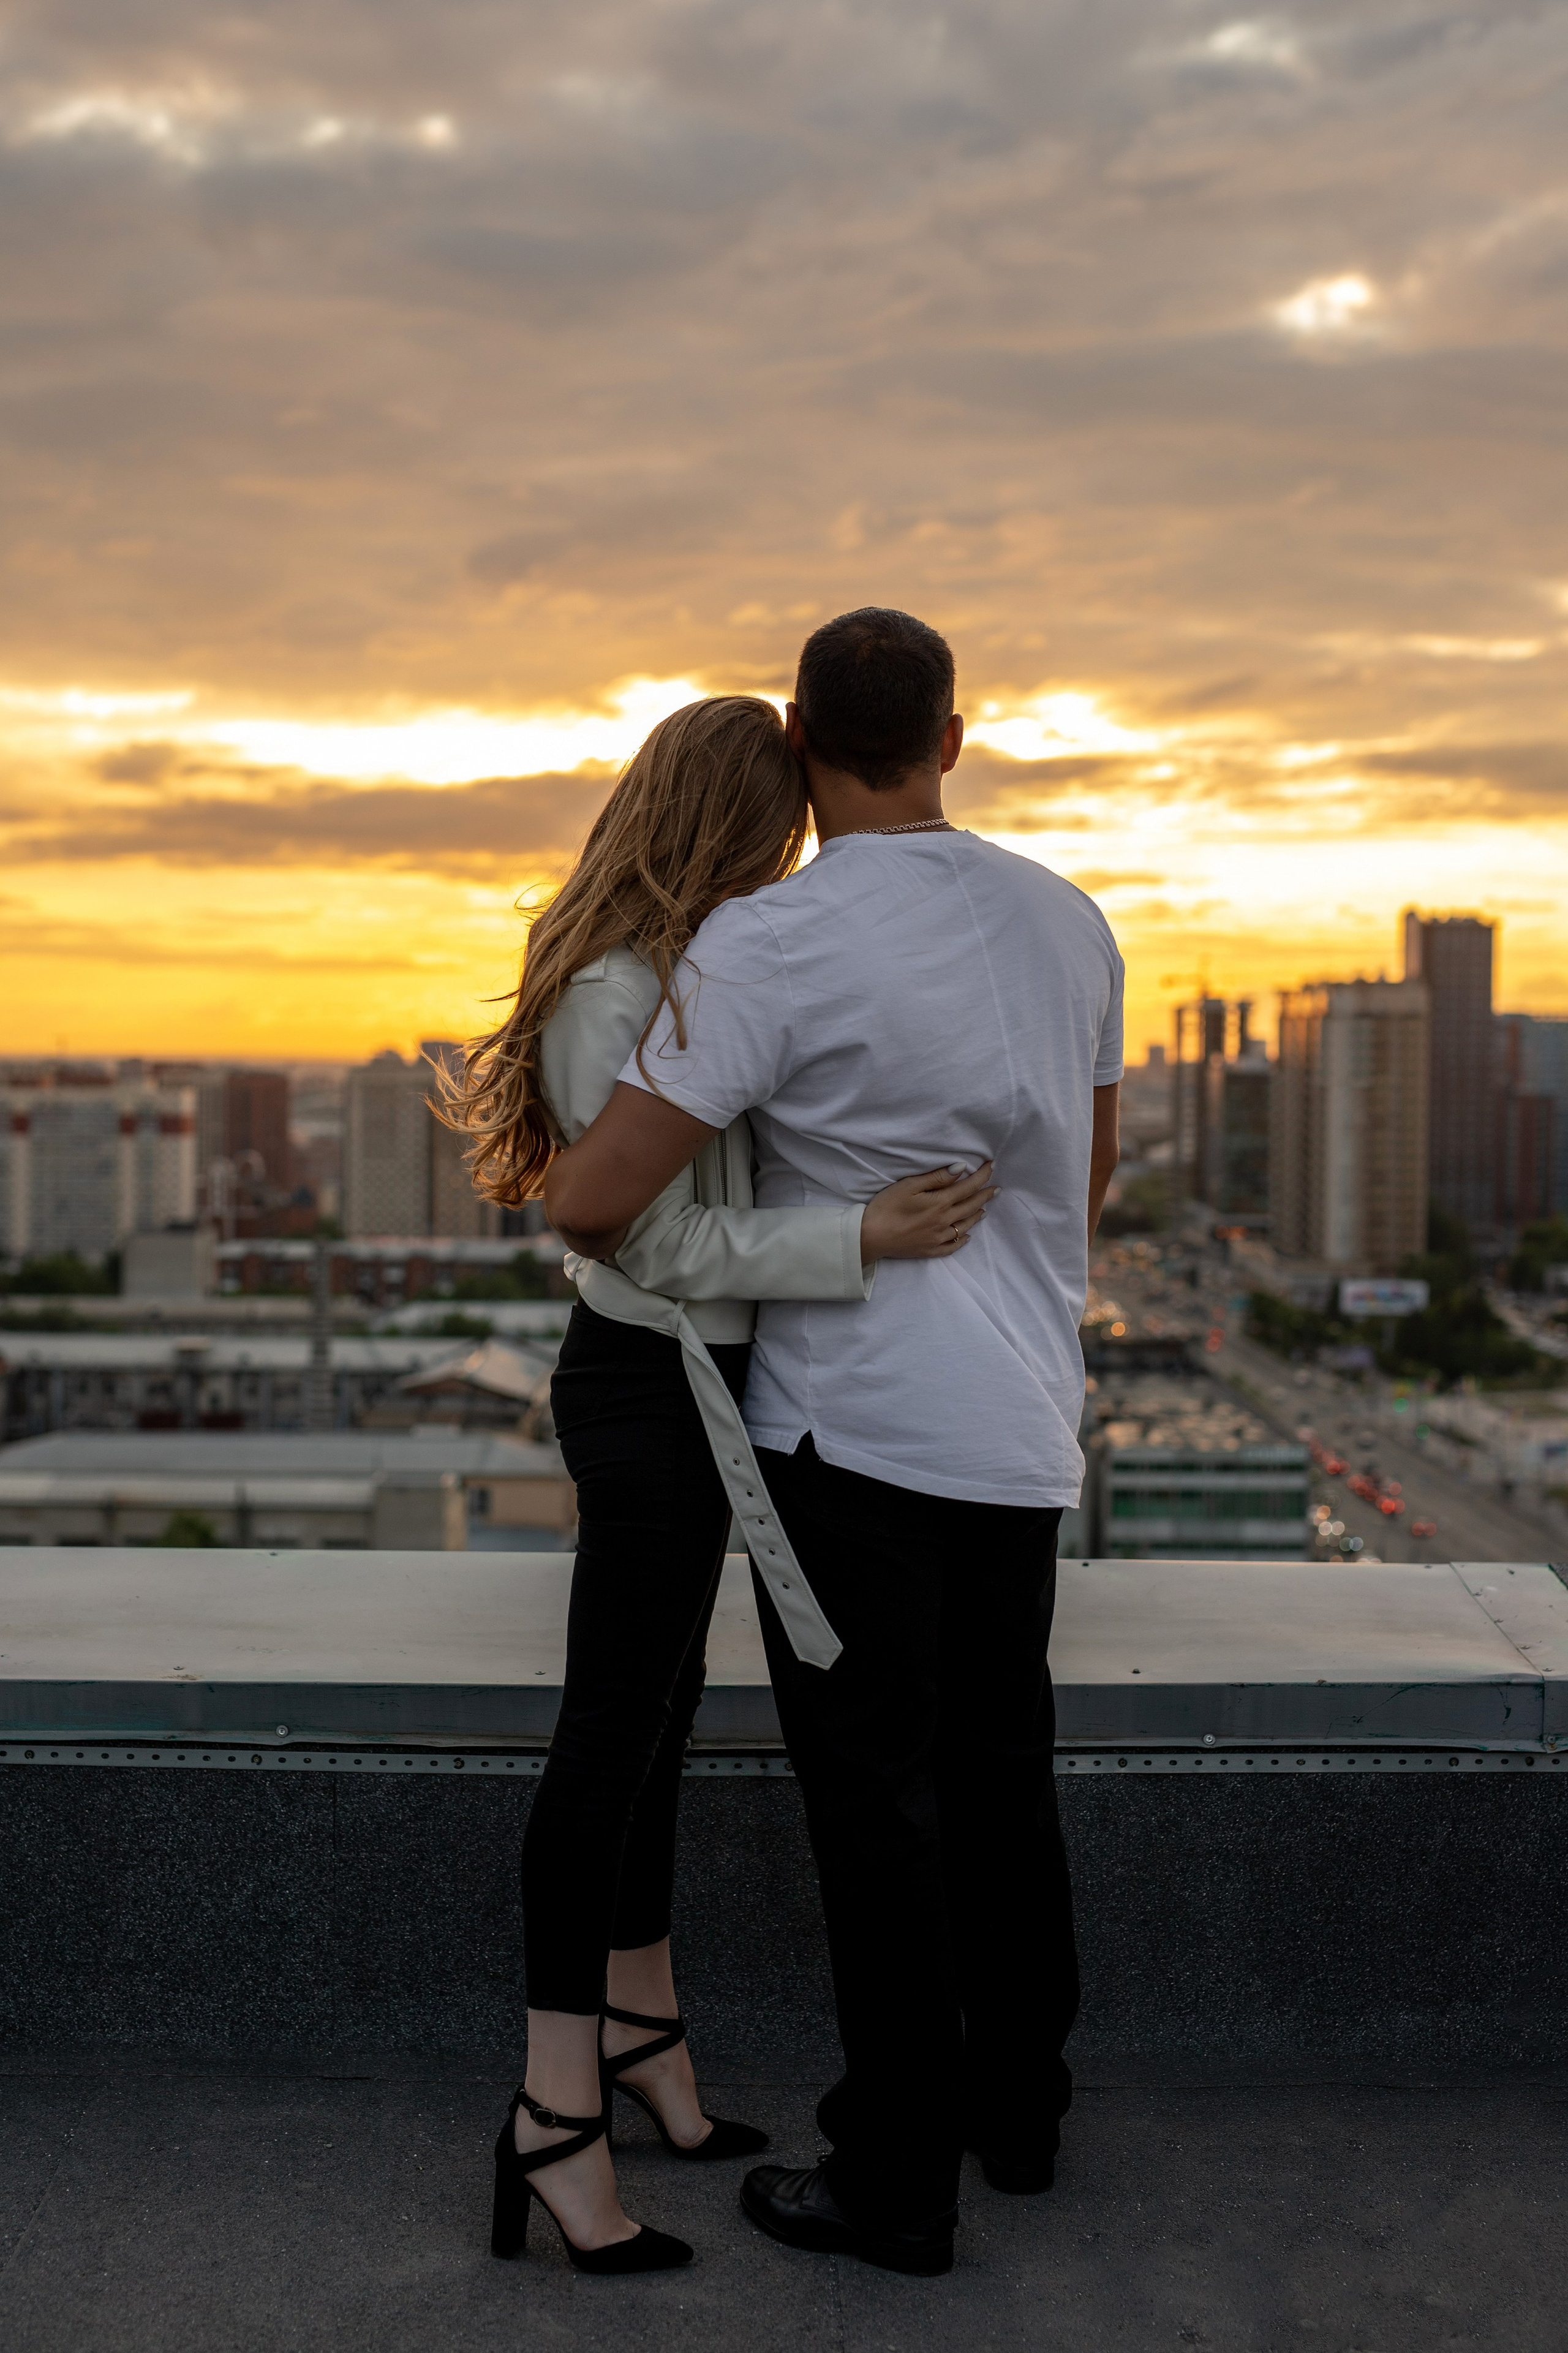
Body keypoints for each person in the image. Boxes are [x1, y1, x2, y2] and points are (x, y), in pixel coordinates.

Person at [545, 608, 1123, 2277]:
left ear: (800, 738)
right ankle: (1021, 2110)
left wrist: (829, 1210)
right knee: (1007, 1776)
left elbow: (592, 1196)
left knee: (879, 1805)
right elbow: (1080, 1199)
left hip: (846, 1428)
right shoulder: (1072, 923)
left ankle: (894, 2179)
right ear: (956, 734)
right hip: (1019, 1420)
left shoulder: (770, 946)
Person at [450, 692, 997, 2275]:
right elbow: (643, 1232)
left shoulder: (685, 972)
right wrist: (861, 1238)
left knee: (662, 1723)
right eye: (778, 832)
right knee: (609, 1735)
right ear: (729, 827)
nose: (795, 861)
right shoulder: (618, 988)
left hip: (698, 1393)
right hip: (650, 1391)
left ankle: (643, 2037)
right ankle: (554, 2115)